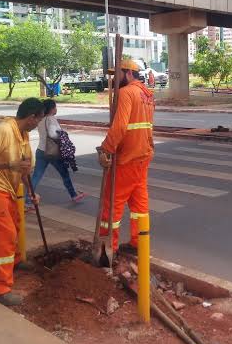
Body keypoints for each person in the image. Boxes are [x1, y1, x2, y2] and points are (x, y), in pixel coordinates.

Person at [0, 98, 45, 306]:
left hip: (9, 190)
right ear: (31, 117)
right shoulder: (3, 130)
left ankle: (13, 262)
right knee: (6, 234)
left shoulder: (23, 135)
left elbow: (24, 170)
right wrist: (10, 164)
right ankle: (0, 288)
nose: (37, 125)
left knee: (15, 226)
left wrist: (32, 192)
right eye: (38, 121)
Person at [97, 59, 155, 260]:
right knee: (139, 205)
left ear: (128, 73)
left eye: (117, 74)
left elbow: (120, 127)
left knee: (111, 204)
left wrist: (106, 148)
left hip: (127, 158)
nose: (113, 79)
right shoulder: (147, 94)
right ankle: (139, 243)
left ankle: (106, 251)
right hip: (143, 156)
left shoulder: (126, 92)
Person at [29, 99, 86, 207]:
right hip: (52, 152)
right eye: (55, 107)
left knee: (36, 176)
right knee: (64, 174)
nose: (56, 109)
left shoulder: (41, 119)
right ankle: (73, 195)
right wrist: (62, 134)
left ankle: (28, 199)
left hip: (41, 150)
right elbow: (52, 134)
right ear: (51, 109)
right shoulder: (51, 119)